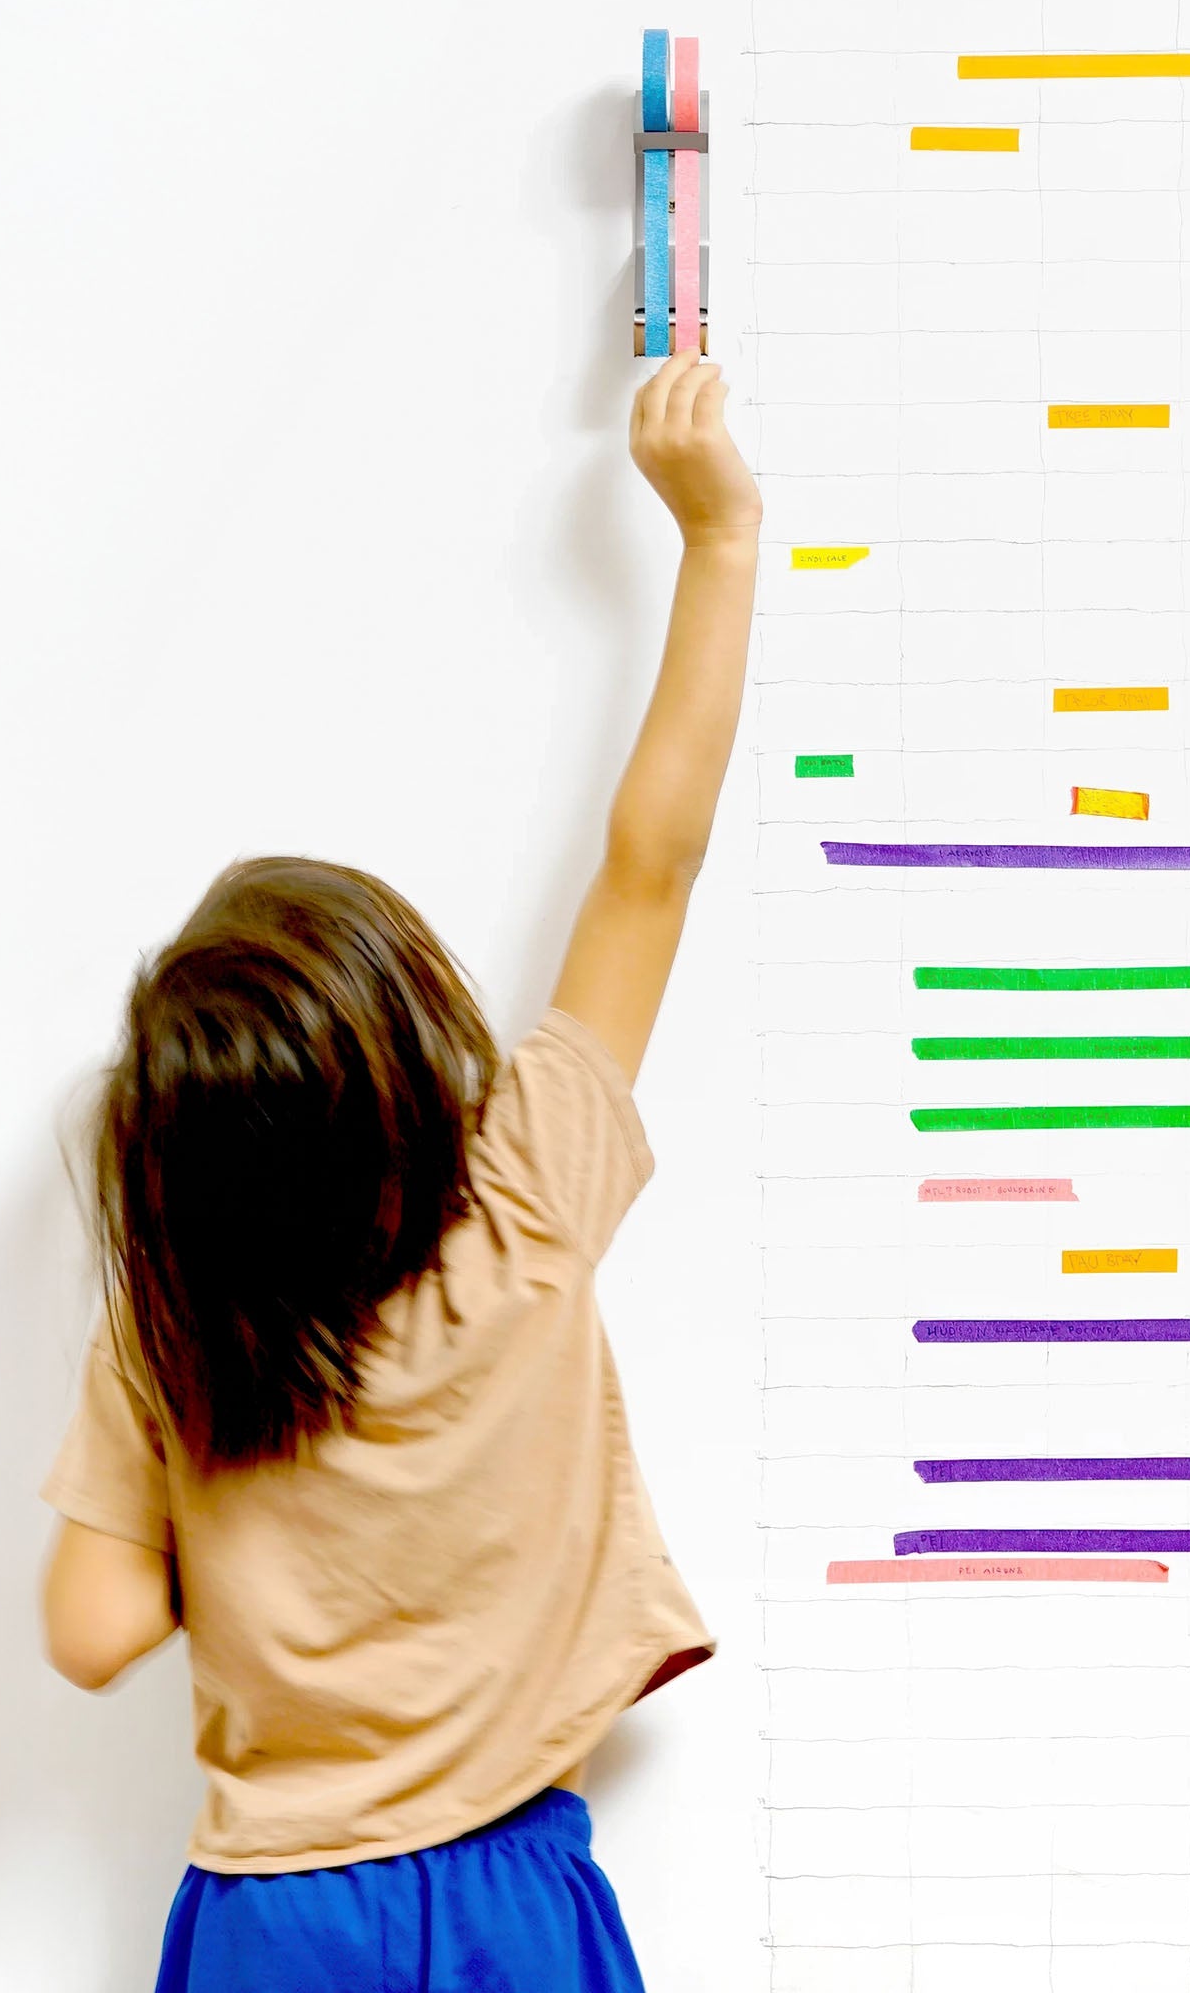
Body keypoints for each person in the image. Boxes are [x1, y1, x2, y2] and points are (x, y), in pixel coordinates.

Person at [38, 352, 760, 1991]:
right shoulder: (525, 1198)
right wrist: (717, 542)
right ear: (415, 1051)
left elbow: (88, 1636)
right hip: (513, 1891)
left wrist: (207, 1512)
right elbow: (651, 868)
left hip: (277, 1918)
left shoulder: (172, 1331)